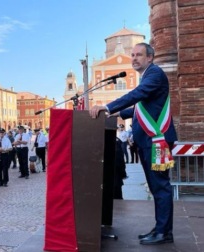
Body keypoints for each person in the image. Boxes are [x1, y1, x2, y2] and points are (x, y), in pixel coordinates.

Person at [89, 42, 177, 245]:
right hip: (150, 142)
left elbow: (136, 96)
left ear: (150, 58)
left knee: (160, 187)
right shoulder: (148, 75)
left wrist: (108, 107)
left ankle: (164, 232)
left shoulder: (154, 74)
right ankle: (161, 227)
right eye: (133, 55)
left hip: (156, 142)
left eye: (139, 55)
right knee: (156, 188)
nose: (134, 58)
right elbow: (139, 108)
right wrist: (119, 113)